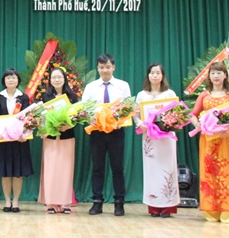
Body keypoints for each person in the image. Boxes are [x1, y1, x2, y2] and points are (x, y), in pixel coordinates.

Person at [190, 61, 229, 223]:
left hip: (227, 138)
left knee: (227, 171)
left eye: (219, 73)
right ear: (209, 76)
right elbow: (193, 114)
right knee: (210, 172)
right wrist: (197, 124)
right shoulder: (204, 95)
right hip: (208, 139)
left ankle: (227, 212)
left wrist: (228, 129)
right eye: (213, 73)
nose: (216, 76)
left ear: (225, 75)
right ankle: (211, 212)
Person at [81, 53, 131, 216]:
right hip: (97, 132)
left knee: (117, 168)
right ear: (98, 68)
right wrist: (89, 118)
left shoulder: (123, 85)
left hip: (116, 131)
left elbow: (128, 107)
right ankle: (97, 202)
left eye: (108, 67)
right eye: (102, 67)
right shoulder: (91, 87)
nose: (105, 70)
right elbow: (84, 108)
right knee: (97, 168)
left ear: (113, 67)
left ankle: (119, 203)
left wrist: (120, 120)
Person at [134, 63, 180, 218]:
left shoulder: (169, 94)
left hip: (166, 138)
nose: (154, 75)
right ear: (148, 75)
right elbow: (135, 114)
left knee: (168, 169)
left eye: (158, 73)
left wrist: (170, 123)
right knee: (151, 170)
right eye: (152, 73)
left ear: (162, 76)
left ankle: (167, 207)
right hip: (150, 138)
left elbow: (176, 114)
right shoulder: (141, 95)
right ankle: (153, 207)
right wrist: (140, 124)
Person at [0, 68, 32, 213]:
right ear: (4, 80)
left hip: (19, 140)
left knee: (18, 172)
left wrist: (23, 134)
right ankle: (7, 200)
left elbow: (27, 118)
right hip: (4, 140)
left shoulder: (24, 97)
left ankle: (16, 201)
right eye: (8, 77)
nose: (11, 80)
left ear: (18, 80)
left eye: (13, 77)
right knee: (5, 172)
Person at [39, 67, 78, 214]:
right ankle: (51, 203)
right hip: (50, 138)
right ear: (50, 80)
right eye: (54, 77)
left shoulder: (72, 97)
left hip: (67, 137)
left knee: (66, 170)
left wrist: (69, 125)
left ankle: (65, 203)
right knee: (51, 170)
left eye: (59, 77)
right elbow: (41, 117)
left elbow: (77, 117)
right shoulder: (45, 97)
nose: (57, 80)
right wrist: (43, 131)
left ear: (64, 79)